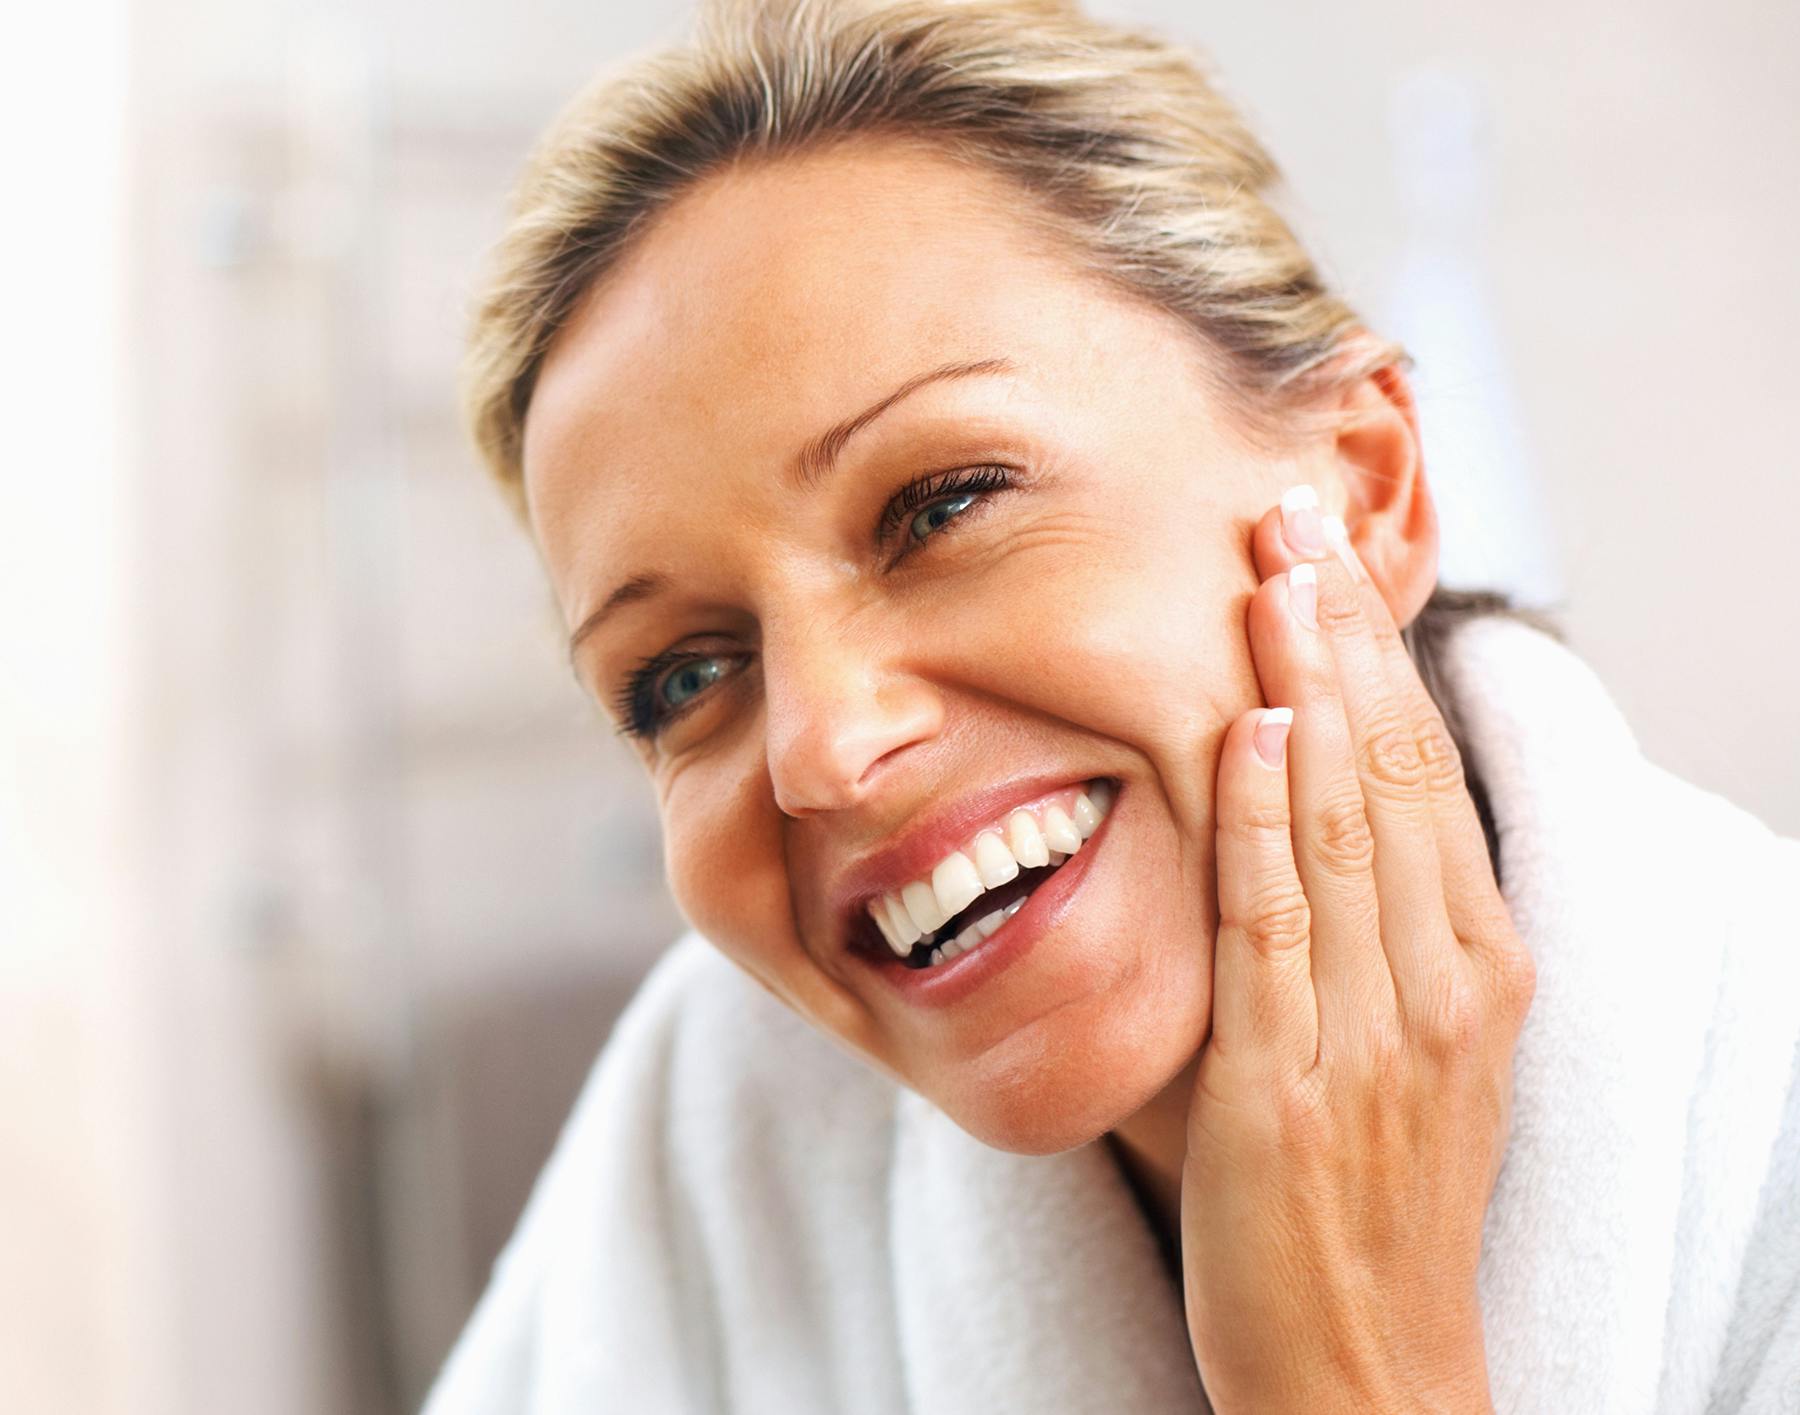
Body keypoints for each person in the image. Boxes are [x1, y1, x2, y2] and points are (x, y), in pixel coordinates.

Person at [423, 1, 1800, 1410]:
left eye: (941, 503)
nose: (825, 750)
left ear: (1369, 490)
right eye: (688, 676)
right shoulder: (736, 1121)